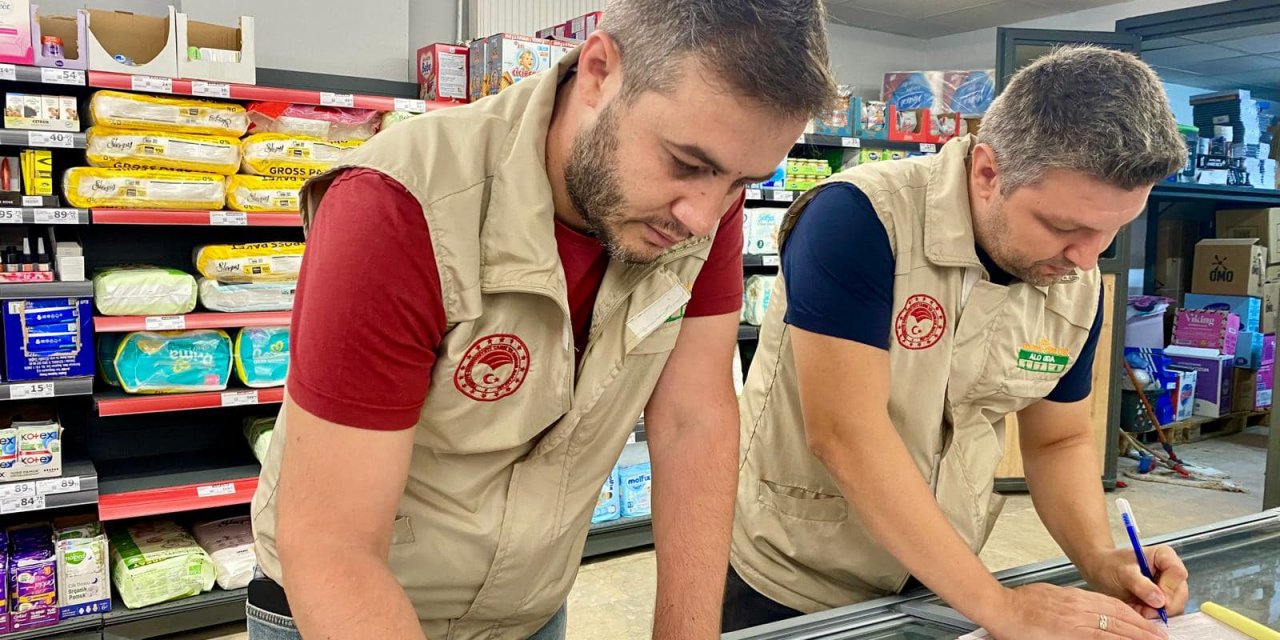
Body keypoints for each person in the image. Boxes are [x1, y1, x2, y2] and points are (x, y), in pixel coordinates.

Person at [247, 1, 838, 639]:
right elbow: (331, 542)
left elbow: (694, 421)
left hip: (529, 610)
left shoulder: (705, 206)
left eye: (739, 182)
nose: (703, 215)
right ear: (599, 71)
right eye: (687, 164)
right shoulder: (398, 206)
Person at [725, 46, 1192, 640]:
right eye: (1065, 227)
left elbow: (1059, 440)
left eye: (1113, 230)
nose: (1087, 259)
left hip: (941, 579)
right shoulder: (859, 219)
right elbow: (846, 434)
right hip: (794, 578)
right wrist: (1001, 607)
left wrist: (1100, 559)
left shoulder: (1077, 282)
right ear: (988, 173)